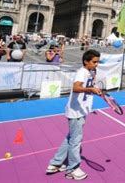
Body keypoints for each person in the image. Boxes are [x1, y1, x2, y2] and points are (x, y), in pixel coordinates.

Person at [46, 50, 102, 180]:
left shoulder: (89, 72)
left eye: (98, 62)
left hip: (81, 110)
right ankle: (72, 169)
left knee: (70, 139)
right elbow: (76, 88)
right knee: (75, 142)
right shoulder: (81, 72)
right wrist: (91, 89)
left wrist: (93, 90)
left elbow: (87, 90)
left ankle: (55, 164)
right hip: (76, 112)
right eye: (94, 62)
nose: (96, 64)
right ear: (86, 61)